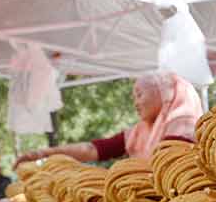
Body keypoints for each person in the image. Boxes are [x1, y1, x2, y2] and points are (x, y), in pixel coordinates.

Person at [15, 71, 203, 166]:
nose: (135, 103)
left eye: (139, 94)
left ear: (163, 94)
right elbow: (92, 150)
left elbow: (167, 167)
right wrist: (41, 154)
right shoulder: (140, 132)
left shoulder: (183, 128)